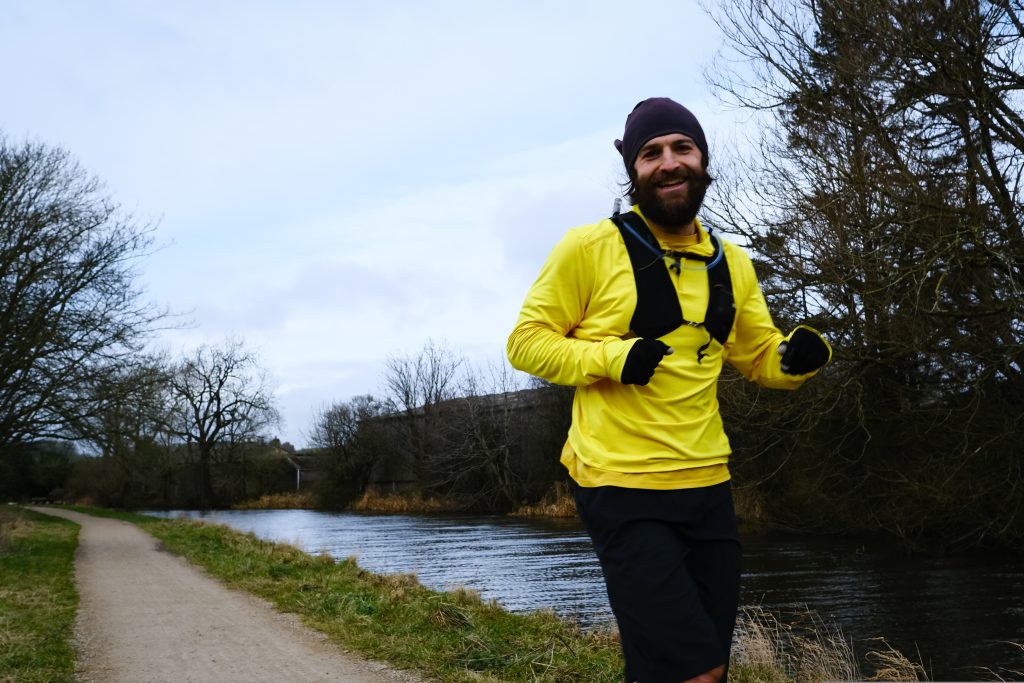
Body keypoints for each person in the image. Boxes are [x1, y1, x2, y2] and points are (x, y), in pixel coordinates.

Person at [506, 97, 831, 683]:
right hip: (620, 485)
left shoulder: (732, 262)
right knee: (697, 670)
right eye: (650, 153)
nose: (668, 162)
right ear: (632, 170)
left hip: (708, 484)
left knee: (677, 666)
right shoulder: (588, 248)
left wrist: (799, 359)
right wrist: (612, 356)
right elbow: (526, 342)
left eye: (682, 147)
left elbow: (760, 357)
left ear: (703, 160)